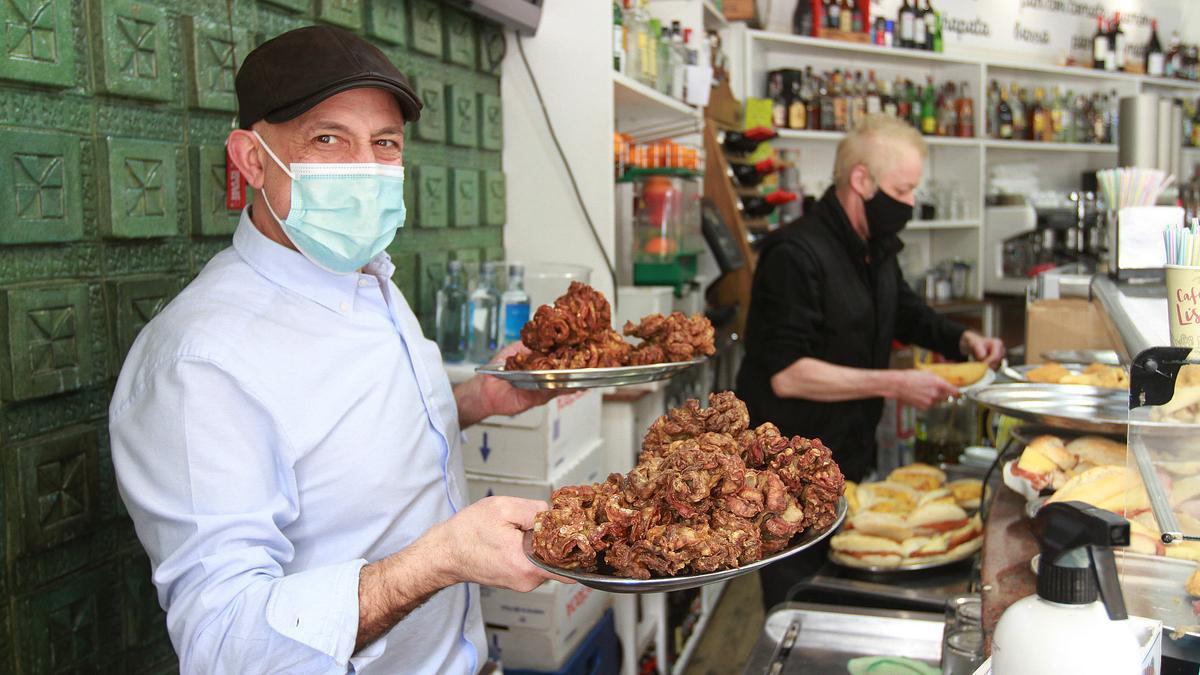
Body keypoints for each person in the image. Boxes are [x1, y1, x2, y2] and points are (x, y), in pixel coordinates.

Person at [109, 26, 561, 674]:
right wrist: (437, 560)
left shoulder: (367, 274)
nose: (366, 169)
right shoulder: (199, 365)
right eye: (329, 139)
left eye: (384, 144)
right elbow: (223, 641)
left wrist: (475, 399)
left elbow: (341, 442)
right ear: (252, 158)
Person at [735, 114, 1003, 608]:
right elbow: (788, 374)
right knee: (799, 602)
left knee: (842, 591)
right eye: (902, 190)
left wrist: (962, 338)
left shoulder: (874, 248)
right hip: (785, 480)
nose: (909, 204)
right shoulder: (793, 255)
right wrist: (896, 384)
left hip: (850, 463)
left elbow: (903, 310)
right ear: (862, 180)